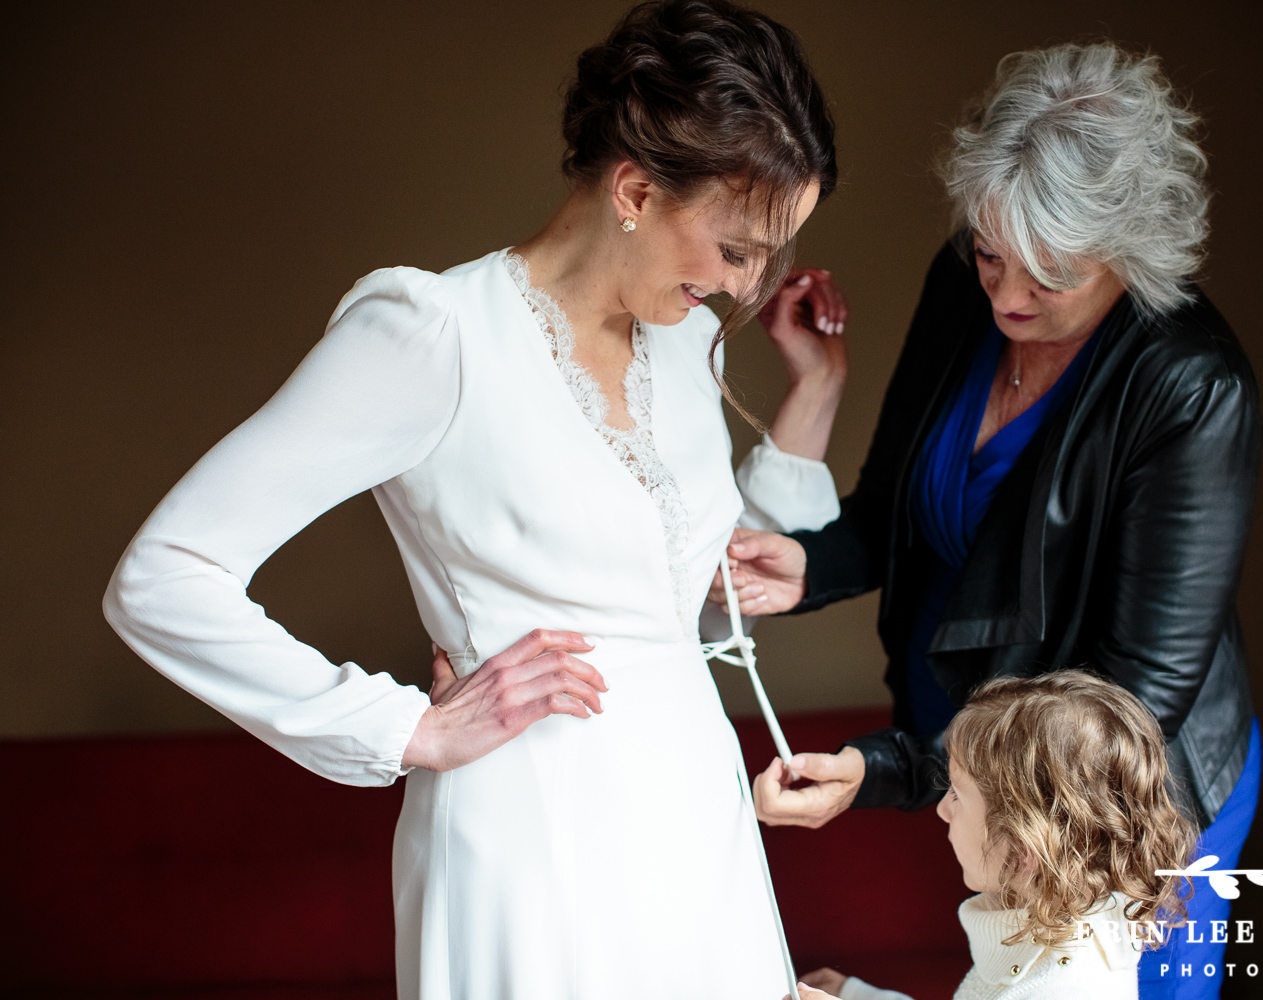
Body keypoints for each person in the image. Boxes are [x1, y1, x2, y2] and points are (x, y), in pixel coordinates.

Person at [102, 3, 847, 997]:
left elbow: (703, 594)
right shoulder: (433, 333)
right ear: (634, 188)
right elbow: (164, 576)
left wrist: (817, 391)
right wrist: (402, 728)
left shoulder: (677, 340)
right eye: (740, 247)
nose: (752, 287)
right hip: (531, 835)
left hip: (695, 826)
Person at [716, 42, 1262, 999]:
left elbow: (1129, 697)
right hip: (977, 768)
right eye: (991, 253)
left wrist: (895, 769)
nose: (1006, 296)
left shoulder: (1192, 386)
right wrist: (812, 564)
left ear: (1128, 261)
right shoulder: (969, 285)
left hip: (1114, 787)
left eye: (1048, 275)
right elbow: (898, 507)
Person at [795, 671, 1197, 1000]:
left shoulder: (1063, 989)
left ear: (1024, 847)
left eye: (956, 793)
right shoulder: (1045, 913)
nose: (942, 809)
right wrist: (860, 995)